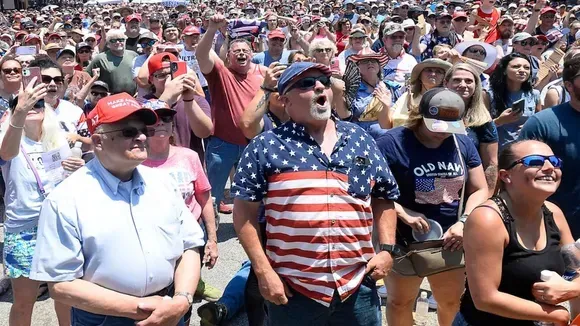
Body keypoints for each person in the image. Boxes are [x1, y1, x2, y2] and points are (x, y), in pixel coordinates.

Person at [233, 61, 400, 325]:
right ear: (285, 101)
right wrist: (263, 272)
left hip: (357, 286)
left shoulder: (360, 138)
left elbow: (383, 195)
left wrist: (387, 249)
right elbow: (244, 214)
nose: (319, 86)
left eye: (323, 80)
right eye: (307, 83)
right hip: (294, 290)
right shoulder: (266, 146)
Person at [29, 92, 206, 326]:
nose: (142, 136)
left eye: (145, 130)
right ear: (99, 141)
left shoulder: (163, 183)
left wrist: (182, 300)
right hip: (105, 318)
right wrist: (140, 308)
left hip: (170, 308)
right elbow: (61, 285)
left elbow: (190, 245)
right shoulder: (66, 198)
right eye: (128, 132)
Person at [377, 88, 488, 326]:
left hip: (450, 238)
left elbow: (480, 189)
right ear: (420, 115)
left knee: (450, 302)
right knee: (400, 301)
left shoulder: (462, 144)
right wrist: (402, 212)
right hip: (403, 239)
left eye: (451, 127)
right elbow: (371, 191)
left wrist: (464, 221)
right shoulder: (391, 143)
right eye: (437, 127)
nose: (444, 134)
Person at [455, 140, 573, 326]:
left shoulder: (553, 213)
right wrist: (555, 315)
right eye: (535, 162)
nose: (549, 167)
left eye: (555, 161)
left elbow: (577, 267)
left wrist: (571, 289)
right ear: (506, 176)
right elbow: (485, 298)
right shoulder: (487, 219)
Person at [2, 75, 84, 326]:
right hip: (24, 228)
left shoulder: (57, 140)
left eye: (38, 104)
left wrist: (78, 168)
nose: (31, 108)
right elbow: (7, 153)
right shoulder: (8, 137)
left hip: (58, 225)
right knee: (24, 303)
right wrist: (19, 111)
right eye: (24, 104)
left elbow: (67, 184)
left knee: (65, 297)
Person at [141, 99, 218, 324]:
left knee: (182, 299)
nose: (162, 123)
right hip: (153, 239)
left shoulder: (189, 157)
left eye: (166, 118)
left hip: (189, 237)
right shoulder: (135, 163)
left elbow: (204, 197)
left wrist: (212, 239)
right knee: (155, 299)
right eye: (154, 119)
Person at [196, 13, 265, 217]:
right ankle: (209, 232)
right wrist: (211, 29)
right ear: (228, 57)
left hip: (251, 144)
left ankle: (251, 228)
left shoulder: (262, 77)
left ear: (252, 55)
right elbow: (202, 54)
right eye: (237, 51)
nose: (241, 53)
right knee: (213, 194)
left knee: (251, 193)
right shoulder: (220, 73)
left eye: (245, 50)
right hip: (222, 145)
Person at [445, 63, 499, 194]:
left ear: (476, 85)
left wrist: (487, 198)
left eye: (469, 81)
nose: (463, 85)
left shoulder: (483, 121)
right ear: (446, 83)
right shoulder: (432, 113)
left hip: (471, 190)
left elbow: (491, 164)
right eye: (457, 80)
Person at [488, 53, 541, 148]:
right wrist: (499, 121)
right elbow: (478, 127)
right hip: (496, 150)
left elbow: (540, 123)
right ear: (504, 70)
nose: (522, 70)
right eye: (516, 66)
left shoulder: (534, 95)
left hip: (524, 149)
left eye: (526, 68)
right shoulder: (489, 95)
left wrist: (529, 126)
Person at [389, 58, 452, 128]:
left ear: (444, 78)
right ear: (419, 76)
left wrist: (415, 111)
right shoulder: (406, 96)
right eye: (429, 70)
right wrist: (385, 105)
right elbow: (386, 124)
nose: (433, 74)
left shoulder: (446, 100)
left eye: (438, 72)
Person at [85, 29, 139, 95]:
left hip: (132, 98)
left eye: (121, 40)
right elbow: (86, 76)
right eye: (113, 40)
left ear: (125, 41)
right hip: (110, 99)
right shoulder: (100, 58)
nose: (118, 42)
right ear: (108, 44)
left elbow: (140, 75)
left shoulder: (133, 55)